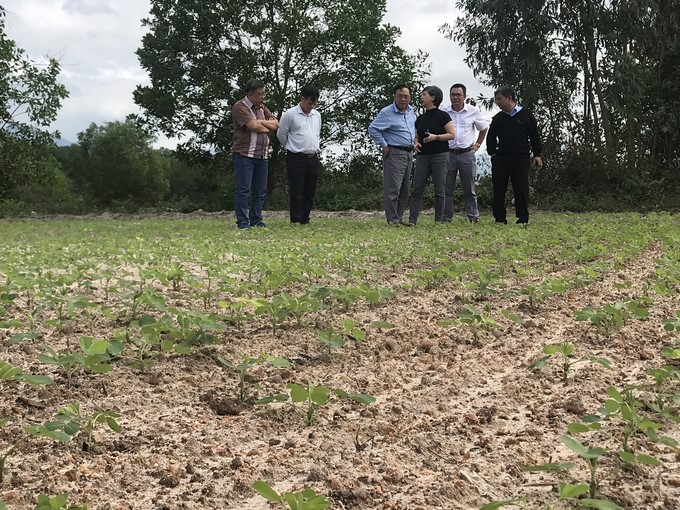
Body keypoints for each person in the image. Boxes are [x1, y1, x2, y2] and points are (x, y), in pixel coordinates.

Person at [486, 86, 542, 225]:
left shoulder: (526, 115)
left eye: (499, 99)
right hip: (501, 159)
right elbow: (491, 137)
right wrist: (493, 153)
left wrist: (537, 154)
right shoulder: (498, 118)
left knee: (521, 188)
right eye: (496, 100)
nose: (497, 102)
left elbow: (534, 135)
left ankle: (522, 218)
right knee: (499, 189)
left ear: (509, 98)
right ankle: (500, 218)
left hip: (520, 158)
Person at [231, 79, 279, 230]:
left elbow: (276, 124)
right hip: (244, 154)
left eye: (263, 93)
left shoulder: (262, 108)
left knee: (260, 190)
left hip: (261, 155)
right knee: (244, 190)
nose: (262, 97)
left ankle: (256, 220)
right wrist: (263, 125)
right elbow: (252, 126)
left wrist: (261, 124)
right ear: (250, 94)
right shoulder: (240, 107)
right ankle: (243, 222)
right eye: (259, 94)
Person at [368, 84, 417, 225]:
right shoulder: (387, 112)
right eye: (400, 96)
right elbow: (373, 129)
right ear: (394, 97)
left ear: (410, 97)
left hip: (409, 152)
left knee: (404, 189)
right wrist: (383, 145)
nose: (403, 99)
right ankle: (393, 220)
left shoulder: (411, 111)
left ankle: (399, 218)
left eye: (406, 96)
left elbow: (413, 129)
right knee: (393, 189)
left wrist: (415, 141)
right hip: (394, 152)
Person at [407, 85, 455, 225]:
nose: (421, 97)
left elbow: (452, 134)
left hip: (440, 155)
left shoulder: (443, 116)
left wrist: (436, 137)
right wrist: (416, 143)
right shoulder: (420, 118)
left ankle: (439, 221)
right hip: (423, 156)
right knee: (417, 188)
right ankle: (412, 221)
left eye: (424, 94)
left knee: (439, 189)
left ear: (433, 97)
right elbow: (416, 136)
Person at [441, 83, 489, 223]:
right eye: (453, 95)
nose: (455, 97)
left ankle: (473, 217)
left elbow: (483, 128)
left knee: (469, 188)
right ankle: (446, 218)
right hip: (448, 153)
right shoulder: (444, 111)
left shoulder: (473, 111)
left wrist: (478, 145)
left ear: (464, 96)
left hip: (466, 154)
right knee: (446, 188)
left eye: (458, 95)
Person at [277, 85, 322, 225]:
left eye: (314, 103)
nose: (312, 106)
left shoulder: (317, 115)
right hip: (296, 156)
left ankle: (305, 218)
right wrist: (292, 147)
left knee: (310, 190)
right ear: (302, 99)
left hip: (312, 156)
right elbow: (281, 135)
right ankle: (296, 219)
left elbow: (316, 133)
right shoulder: (290, 114)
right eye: (310, 103)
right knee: (296, 190)